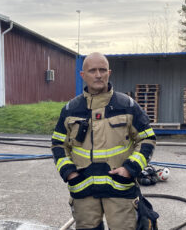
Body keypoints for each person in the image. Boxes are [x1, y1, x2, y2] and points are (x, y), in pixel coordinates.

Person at [51, 52, 156, 230]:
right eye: (92, 70)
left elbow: (147, 139)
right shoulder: (70, 110)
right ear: (82, 75)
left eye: (102, 70)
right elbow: (58, 144)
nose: (98, 75)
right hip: (83, 188)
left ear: (109, 72)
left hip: (120, 188)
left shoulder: (128, 106)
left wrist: (131, 169)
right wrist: (69, 173)